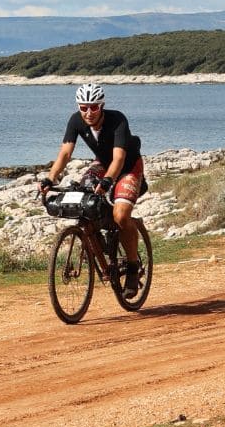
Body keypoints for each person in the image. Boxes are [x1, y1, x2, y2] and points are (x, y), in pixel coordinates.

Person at [39, 83, 148, 298]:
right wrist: (50, 178)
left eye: (94, 108)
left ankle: (133, 268)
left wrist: (108, 181)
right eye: (83, 107)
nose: (88, 113)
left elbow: (119, 158)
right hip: (102, 163)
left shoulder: (117, 120)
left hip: (128, 167)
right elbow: (64, 155)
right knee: (83, 197)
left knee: (120, 216)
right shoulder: (76, 120)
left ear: (102, 106)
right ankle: (103, 238)